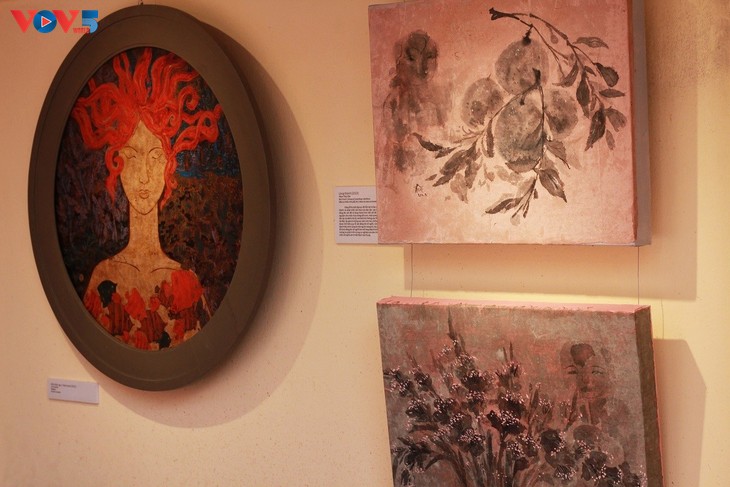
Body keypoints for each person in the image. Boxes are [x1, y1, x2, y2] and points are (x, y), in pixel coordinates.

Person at [72, 47, 222, 350]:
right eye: (132, 157)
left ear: (169, 166)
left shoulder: (185, 282)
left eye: (155, 158)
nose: (143, 176)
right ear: (116, 165)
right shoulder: (103, 277)